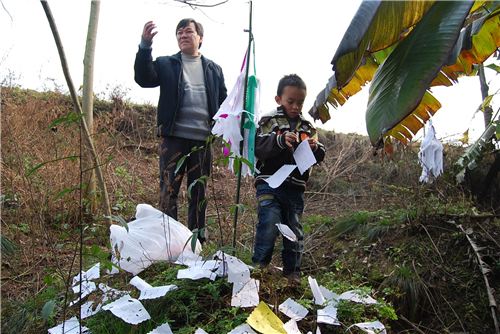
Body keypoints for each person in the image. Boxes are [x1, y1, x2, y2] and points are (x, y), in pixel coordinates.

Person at [134, 19, 227, 244]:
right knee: (169, 190)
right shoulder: (167, 63)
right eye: (179, 33)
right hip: (173, 138)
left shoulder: (213, 69)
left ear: (200, 38)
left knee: (199, 193)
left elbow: (224, 103)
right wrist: (145, 46)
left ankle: (197, 242)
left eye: (189, 31)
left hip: (202, 141)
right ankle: (169, 242)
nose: (183, 35)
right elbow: (144, 79)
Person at [252, 74, 326, 286]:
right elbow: (258, 148)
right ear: (278, 99)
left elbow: (319, 156)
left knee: (294, 230)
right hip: (269, 183)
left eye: (300, 102)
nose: (295, 106)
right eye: (290, 102)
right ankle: (260, 269)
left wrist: (315, 148)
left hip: (295, 188)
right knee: (269, 223)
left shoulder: (308, 127)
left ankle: (292, 274)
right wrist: (280, 140)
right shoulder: (269, 121)